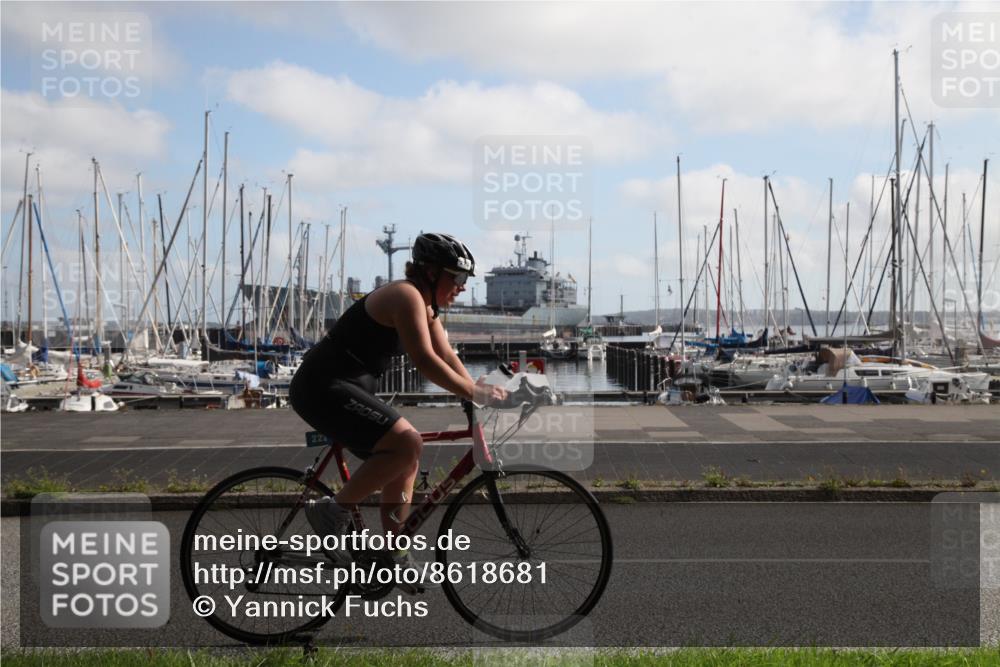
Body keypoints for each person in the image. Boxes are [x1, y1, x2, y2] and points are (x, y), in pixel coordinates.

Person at [288, 232, 507, 591]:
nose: (463, 288)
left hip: (348, 386)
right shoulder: (405, 296)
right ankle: (331, 510)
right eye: (459, 278)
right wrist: (475, 392)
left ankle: (393, 553)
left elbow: (446, 357)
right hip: (322, 385)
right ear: (433, 272)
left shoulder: (426, 306)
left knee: (406, 458)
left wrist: (471, 396)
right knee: (408, 442)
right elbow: (423, 360)